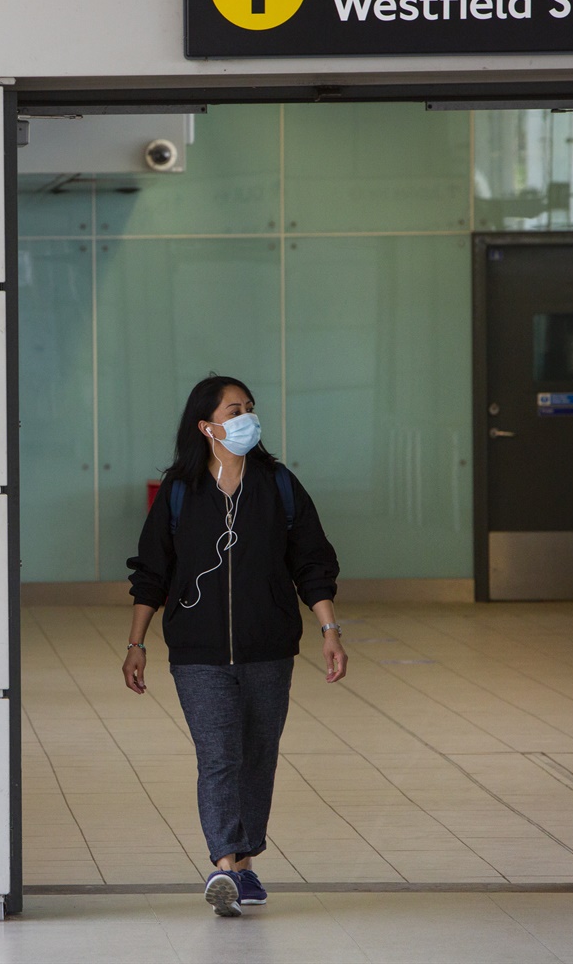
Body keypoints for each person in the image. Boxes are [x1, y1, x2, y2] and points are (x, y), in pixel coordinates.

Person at [123, 374, 345, 918]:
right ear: (206, 426)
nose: (245, 416)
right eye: (232, 410)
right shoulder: (180, 491)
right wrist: (137, 642)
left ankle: (244, 866)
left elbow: (312, 561)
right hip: (198, 654)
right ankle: (225, 865)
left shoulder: (279, 484)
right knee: (219, 757)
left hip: (269, 646)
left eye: (248, 407)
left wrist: (329, 629)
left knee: (257, 758)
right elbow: (151, 571)